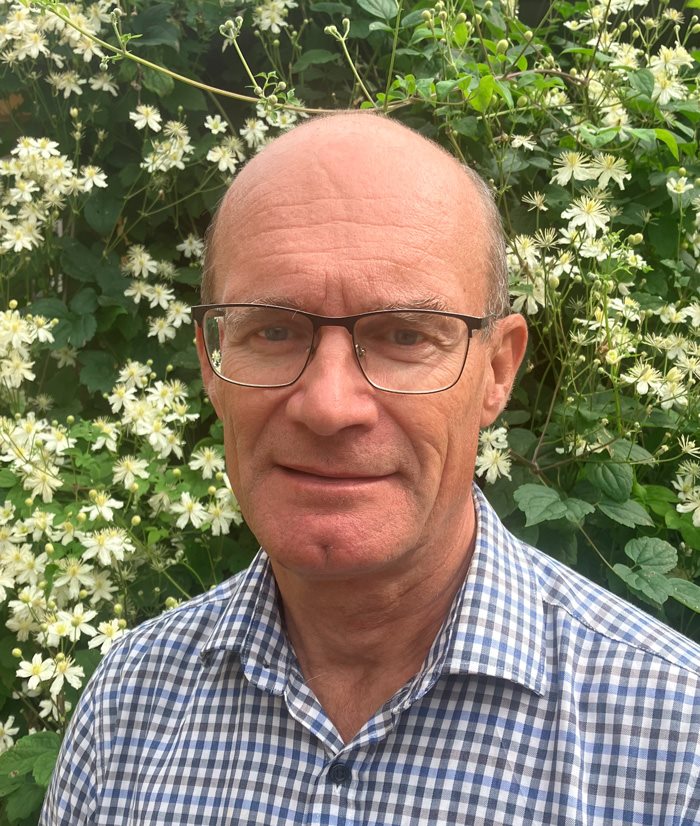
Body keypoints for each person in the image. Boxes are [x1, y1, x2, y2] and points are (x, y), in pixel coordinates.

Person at [42, 113, 699, 825]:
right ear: (212, 362)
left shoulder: (676, 743)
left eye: (404, 336)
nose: (329, 406)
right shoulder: (126, 708)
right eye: (273, 329)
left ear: (496, 372)